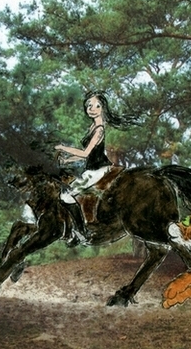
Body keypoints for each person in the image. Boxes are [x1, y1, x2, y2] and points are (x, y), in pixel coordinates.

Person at [54, 90, 139, 240]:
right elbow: (87, 154)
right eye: (89, 106)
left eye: (96, 106)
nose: (91, 109)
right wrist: (67, 160)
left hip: (98, 170)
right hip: (91, 168)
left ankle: (82, 231)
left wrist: (63, 148)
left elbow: (85, 153)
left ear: (103, 108)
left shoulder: (99, 130)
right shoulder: (92, 127)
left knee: (66, 196)